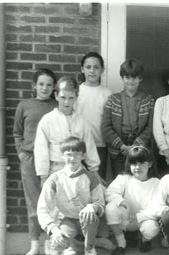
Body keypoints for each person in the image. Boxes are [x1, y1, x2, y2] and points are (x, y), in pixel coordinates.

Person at [37, 137, 105, 255]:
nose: (72, 158)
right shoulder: (55, 179)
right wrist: (53, 229)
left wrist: (92, 206)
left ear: (83, 156)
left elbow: (101, 203)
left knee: (89, 215)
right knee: (60, 234)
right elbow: (42, 208)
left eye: (76, 154)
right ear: (62, 155)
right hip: (67, 219)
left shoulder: (90, 177)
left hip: (87, 219)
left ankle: (89, 249)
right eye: (68, 154)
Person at [13, 68, 57, 255]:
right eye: (41, 84)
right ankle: (34, 244)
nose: (45, 88)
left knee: (51, 201)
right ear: (34, 86)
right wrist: (21, 153)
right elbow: (17, 132)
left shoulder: (57, 106)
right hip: (30, 158)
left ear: (54, 87)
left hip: (52, 159)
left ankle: (50, 241)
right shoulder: (25, 106)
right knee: (33, 202)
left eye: (49, 84)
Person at [34, 76, 100, 185]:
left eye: (71, 98)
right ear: (56, 96)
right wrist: (43, 176)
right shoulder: (47, 120)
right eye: (63, 97)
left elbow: (89, 146)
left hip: (78, 170)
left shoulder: (82, 121)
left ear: (76, 97)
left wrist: (94, 171)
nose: (66, 102)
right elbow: (41, 150)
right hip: (55, 169)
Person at [102, 59, 154, 178]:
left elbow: (150, 127)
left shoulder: (148, 100)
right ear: (122, 78)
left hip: (140, 151)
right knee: (120, 181)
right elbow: (106, 127)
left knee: (139, 182)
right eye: (127, 77)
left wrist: (135, 146)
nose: (131, 81)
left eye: (134, 77)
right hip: (119, 151)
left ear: (140, 78)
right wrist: (121, 146)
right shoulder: (113, 99)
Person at [105, 146, 160, 255]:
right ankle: (121, 244)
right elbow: (110, 192)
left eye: (141, 163)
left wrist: (139, 217)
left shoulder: (156, 183)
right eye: (134, 164)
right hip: (126, 219)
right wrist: (122, 201)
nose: (137, 167)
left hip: (144, 219)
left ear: (149, 164)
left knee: (151, 228)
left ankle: (145, 240)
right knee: (111, 208)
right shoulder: (124, 178)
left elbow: (157, 206)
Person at [76, 52, 113, 180]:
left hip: (99, 145)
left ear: (102, 70)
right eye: (88, 67)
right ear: (82, 69)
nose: (92, 71)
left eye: (96, 67)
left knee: (96, 182)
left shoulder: (107, 94)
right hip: (78, 144)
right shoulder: (76, 92)